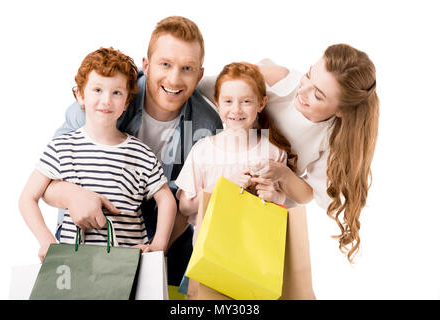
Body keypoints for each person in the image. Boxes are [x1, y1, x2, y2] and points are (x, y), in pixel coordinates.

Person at [41, 16, 223, 285]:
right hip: (96, 221)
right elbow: (46, 179)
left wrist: (154, 249)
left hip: (166, 224)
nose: (174, 78)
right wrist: (71, 194)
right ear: (146, 65)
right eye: (165, 64)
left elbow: (189, 206)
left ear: (199, 75)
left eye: (187, 68)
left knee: (175, 282)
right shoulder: (109, 96)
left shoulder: (208, 125)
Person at [200, 44, 379, 263]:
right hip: (218, 184)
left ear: (341, 111)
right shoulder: (278, 82)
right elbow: (206, 87)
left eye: (318, 95)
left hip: (262, 212)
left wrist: (283, 175)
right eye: (308, 76)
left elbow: (309, 194)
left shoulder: (333, 138)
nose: (302, 92)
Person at [19, 47, 177, 262]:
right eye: (97, 90)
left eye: (116, 93)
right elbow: (27, 198)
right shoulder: (62, 147)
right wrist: (46, 240)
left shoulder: (141, 153)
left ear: (127, 103)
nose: (106, 100)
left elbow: (166, 199)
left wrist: (158, 245)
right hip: (75, 265)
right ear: (80, 95)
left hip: (128, 266)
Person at [174, 62, 313, 295]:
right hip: (209, 260)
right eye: (228, 101)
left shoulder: (272, 153)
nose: (236, 110)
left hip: (257, 262)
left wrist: (274, 196)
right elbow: (185, 205)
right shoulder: (203, 150)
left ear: (261, 104)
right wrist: (221, 187)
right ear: (217, 103)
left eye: (246, 101)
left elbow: (283, 209)